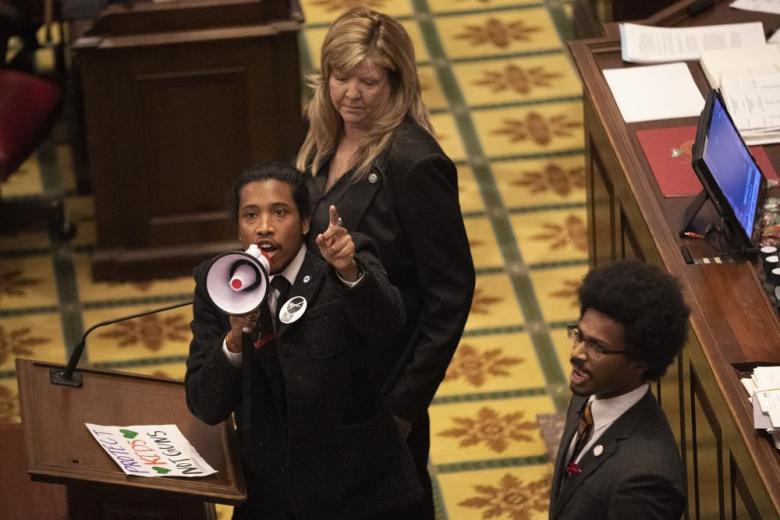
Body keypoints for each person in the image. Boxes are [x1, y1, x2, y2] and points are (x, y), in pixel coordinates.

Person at [296, 8, 475, 517]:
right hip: (322, 372)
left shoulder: (415, 163)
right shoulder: (323, 133)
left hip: (378, 386)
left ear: (395, 81)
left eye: (368, 80)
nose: (351, 93)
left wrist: (404, 405)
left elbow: (450, 295)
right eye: (340, 76)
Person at [185, 162, 421, 519]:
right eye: (251, 215)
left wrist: (349, 271)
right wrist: (234, 340)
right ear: (238, 229)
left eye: (280, 212)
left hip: (358, 488)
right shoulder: (218, 284)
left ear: (306, 222)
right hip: (271, 493)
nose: (264, 227)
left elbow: (388, 321)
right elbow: (204, 403)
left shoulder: (339, 256)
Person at [549, 260, 689, 519]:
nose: (577, 353)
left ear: (639, 362)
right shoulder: (590, 394)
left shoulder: (647, 479)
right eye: (579, 336)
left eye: (597, 347)